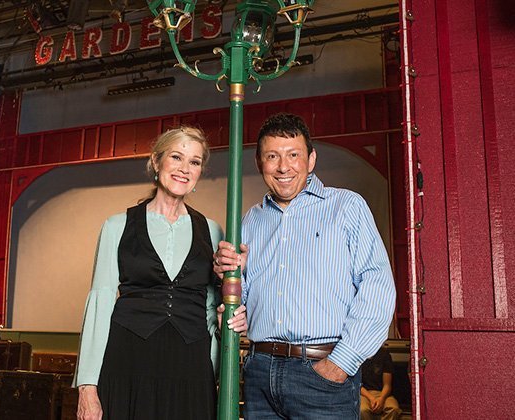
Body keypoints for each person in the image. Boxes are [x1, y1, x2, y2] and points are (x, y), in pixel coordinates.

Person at [214, 113, 396, 419]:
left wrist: (342, 363)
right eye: (273, 156)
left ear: (311, 160)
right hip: (259, 372)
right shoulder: (251, 220)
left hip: (322, 372)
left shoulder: (346, 207)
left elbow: (378, 284)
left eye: (293, 155)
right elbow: (245, 298)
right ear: (260, 163)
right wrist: (229, 282)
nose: (284, 167)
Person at [74, 126, 248, 420]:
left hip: (190, 370)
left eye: (194, 162)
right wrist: (87, 387)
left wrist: (220, 351)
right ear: (156, 162)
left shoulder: (213, 229)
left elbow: (210, 308)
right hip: (128, 363)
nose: (184, 169)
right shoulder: (117, 226)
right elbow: (100, 303)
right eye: (176, 157)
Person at [360, 346, 402, 420]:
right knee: (362, 410)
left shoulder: (384, 354)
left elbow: (387, 385)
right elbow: (357, 385)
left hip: (383, 393)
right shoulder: (357, 354)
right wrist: (371, 398)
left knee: (394, 409)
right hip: (364, 394)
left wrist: (381, 398)